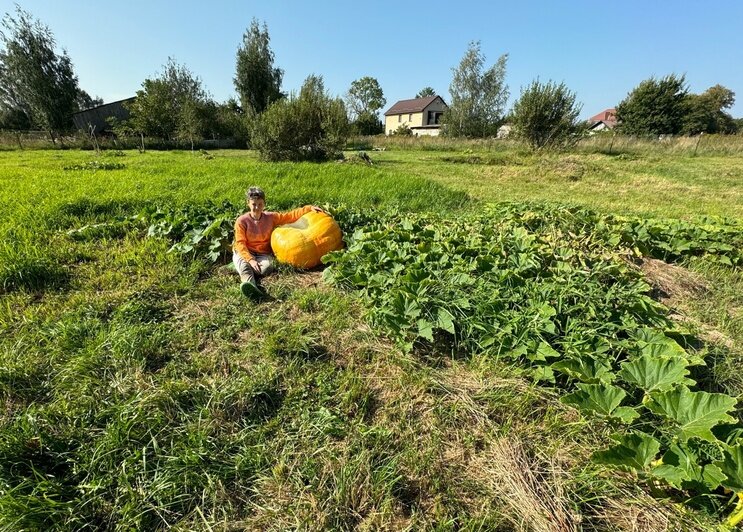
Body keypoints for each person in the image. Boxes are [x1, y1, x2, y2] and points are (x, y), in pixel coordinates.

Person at [233, 186, 324, 299]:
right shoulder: (242, 221)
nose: (256, 207)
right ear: (248, 203)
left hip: (262, 254)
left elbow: (289, 216)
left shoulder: (270, 217)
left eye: (260, 204)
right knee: (245, 267)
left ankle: (244, 267)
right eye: (253, 204)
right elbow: (240, 243)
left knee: (267, 269)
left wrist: (308, 208)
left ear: (264, 204)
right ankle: (251, 286)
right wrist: (251, 260)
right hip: (245, 251)